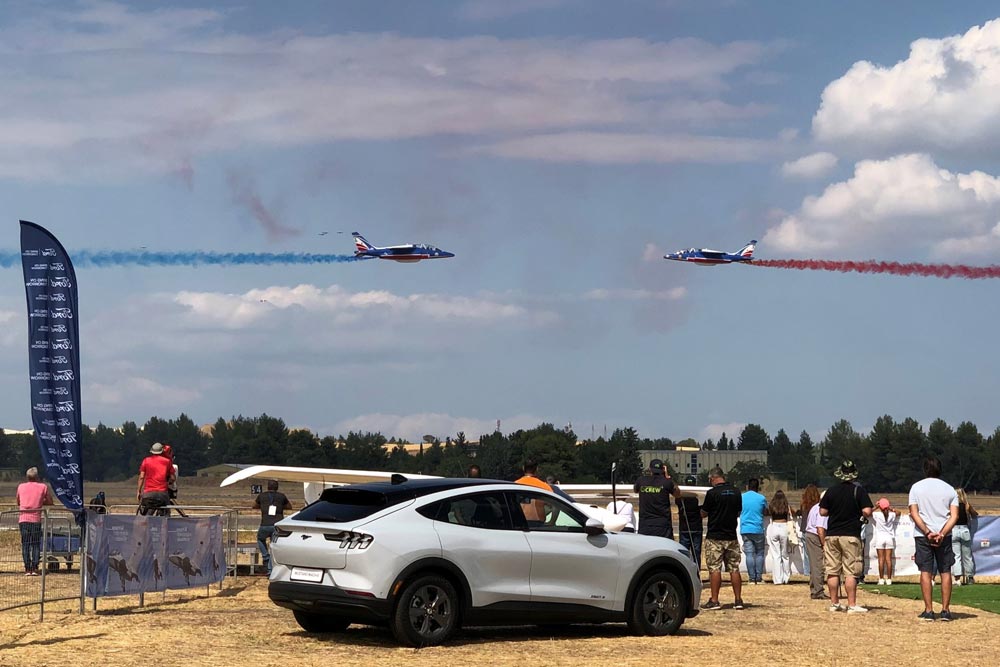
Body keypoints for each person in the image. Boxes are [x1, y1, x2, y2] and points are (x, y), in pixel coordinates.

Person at [819, 460, 873, 614]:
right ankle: (851, 604)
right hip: (850, 534)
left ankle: (834, 603)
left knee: (832, 570)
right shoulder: (859, 491)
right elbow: (868, 511)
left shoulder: (831, 490)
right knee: (851, 571)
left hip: (832, 535)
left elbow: (822, 512)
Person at [908, 456, 958, 621]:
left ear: (925, 470)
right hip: (945, 534)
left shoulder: (916, 488)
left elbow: (914, 513)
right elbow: (954, 516)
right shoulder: (950, 489)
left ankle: (929, 610)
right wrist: (942, 533)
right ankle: (945, 610)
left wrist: (927, 531)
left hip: (923, 535)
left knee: (925, 571)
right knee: (945, 571)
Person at [700, 467, 743, 610]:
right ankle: (738, 600)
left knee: (714, 568)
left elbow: (704, 513)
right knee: (734, 569)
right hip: (731, 535)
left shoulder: (712, 493)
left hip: (715, 536)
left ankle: (714, 599)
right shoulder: (736, 492)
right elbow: (738, 511)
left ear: (713, 478)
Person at [16, 467, 53, 576]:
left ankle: (27, 568)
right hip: (35, 519)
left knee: (25, 544)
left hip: (23, 519)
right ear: (37, 477)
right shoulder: (43, 487)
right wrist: (41, 501)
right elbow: (50, 501)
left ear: (27, 477)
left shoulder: (21, 486)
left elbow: (18, 501)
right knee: (35, 544)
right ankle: (35, 567)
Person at [633, 459, 681, 538]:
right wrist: (668, 477)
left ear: (649, 469)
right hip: (662, 525)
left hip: (645, 525)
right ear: (662, 469)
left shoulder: (641, 481)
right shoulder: (666, 482)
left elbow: (635, 490)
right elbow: (678, 494)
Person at [253, 480, 293, 575]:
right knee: (273, 545)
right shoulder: (281, 496)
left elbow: (254, 506)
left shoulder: (262, 496)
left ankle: (265, 557)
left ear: (267, 487)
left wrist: (263, 506)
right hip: (277, 525)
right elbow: (289, 506)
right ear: (277, 487)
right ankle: (270, 570)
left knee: (260, 539)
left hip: (265, 524)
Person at [801, 485, 828, 599]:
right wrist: (824, 544)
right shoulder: (822, 509)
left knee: (813, 565)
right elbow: (820, 529)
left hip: (809, 535)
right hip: (815, 536)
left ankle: (814, 589)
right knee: (818, 565)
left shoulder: (815, 506)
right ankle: (818, 591)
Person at [740, 478, 767, 584]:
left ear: (748, 486)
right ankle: (758, 577)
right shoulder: (761, 498)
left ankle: (751, 578)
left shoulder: (742, 497)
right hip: (758, 528)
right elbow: (765, 511)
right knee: (760, 553)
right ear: (758, 487)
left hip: (745, 528)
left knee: (749, 554)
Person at [136, 442, 175, 514]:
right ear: (162, 451)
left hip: (148, 492)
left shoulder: (146, 461)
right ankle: (165, 523)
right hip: (162, 493)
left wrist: (139, 491)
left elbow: (141, 477)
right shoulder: (167, 462)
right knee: (166, 513)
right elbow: (172, 478)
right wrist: (168, 482)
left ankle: (147, 522)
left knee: (147, 513)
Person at [951, 488, 978, 585]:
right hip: (965, 530)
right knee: (967, 556)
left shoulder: (952, 506)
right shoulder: (967, 505)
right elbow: (975, 514)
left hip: (954, 530)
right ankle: (970, 577)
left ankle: (957, 579)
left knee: (956, 556)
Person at [765, 489, 792, 585]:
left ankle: (777, 579)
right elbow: (792, 513)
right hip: (784, 527)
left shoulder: (772, 506)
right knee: (785, 555)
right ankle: (786, 577)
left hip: (774, 527)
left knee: (776, 555)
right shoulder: (786, 506)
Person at [872, 497, 898, 585]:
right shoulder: (891, 515)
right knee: (889, 560)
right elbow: (899, 513)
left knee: (881, 560)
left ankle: (881, 579)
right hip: (889, 538)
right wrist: (891, 508)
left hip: (880, 538)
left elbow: (868, 513)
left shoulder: (877, 515)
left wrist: (876, 507)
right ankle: (889, 579)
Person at [676, 494, 703, 569]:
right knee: (696, 553)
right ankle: (697, 570)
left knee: (684, 553)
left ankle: (684, 568)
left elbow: (677, 498)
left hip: (684, 530)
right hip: (697, 530)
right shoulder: (699, 508)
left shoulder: (681, 506)